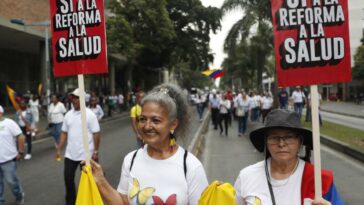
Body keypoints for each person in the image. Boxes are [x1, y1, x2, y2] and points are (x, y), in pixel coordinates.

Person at [90, 83, 208, 205]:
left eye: (155, 120)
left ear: (173, 124)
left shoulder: (190, 167)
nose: (147, 126)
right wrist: (100, 180)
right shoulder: (131, 160)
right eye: (142, 119)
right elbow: (123, 202)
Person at [234, 109, 344, 205]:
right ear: (266, 142)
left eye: (289, 137)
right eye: (274, 137)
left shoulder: (320, 180)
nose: (281, 144)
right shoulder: (246, 177)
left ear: (300, 142)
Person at [56, 88, 101, 205]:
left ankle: (87, 201)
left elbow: (96, 133)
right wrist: (59, 147)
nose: (74, 100)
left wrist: (95, 151)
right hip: (70, 154)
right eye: (73, 97)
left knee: (87, 182)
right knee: (68, 179)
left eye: (76, 98)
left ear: (83, 99)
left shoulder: (90, 115)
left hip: (86, 155)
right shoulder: (68, 115)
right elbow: (64, 132)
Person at [0, 105, 26, 205]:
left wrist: (20, 152)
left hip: (8, 160)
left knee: (12, 182)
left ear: (1, 113)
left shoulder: (9, 123)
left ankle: (19, 194)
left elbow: (21, 137)